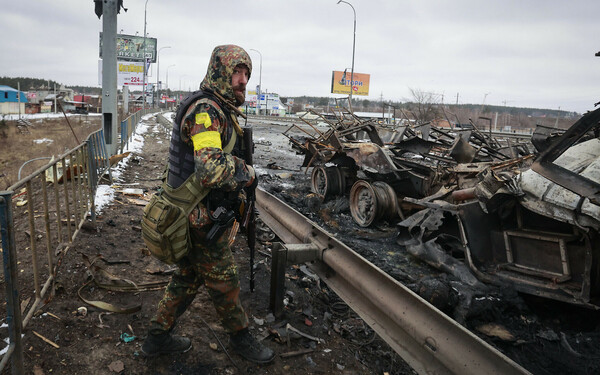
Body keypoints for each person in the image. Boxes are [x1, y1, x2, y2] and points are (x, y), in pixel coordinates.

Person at [141, 45, 275, 364]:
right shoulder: (206, 111)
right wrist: (250, 172)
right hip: (195, 215)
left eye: (246, 74)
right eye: (236, 73)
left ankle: (156, 339)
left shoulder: (219, 107)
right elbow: (211, 167)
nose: (242, 80)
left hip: (195, 210)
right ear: (219, 73)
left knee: (189, 275)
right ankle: (242, 339)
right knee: (224, 277)